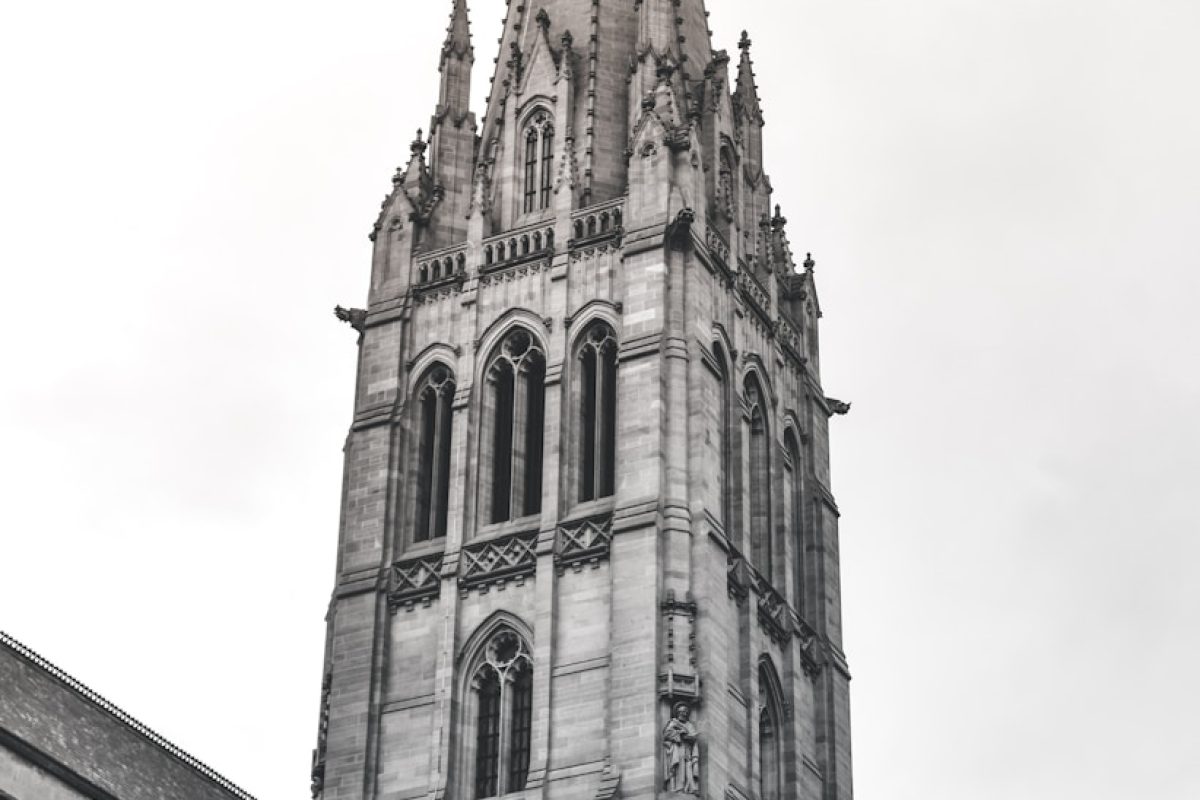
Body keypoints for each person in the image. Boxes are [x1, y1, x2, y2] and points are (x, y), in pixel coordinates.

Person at [662, 702, 700, 794]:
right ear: (678, 712)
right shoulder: (673, 722)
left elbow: (693, 736)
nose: (685, 713)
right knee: (679, 767)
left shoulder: (689, 724)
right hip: (677, 747)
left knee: (689, 766)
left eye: (686, 711)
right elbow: (667, 734)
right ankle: (679, 787)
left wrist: (686, 735)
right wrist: (679, 734)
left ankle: (691, 787)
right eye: (683, 711)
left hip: (688, 749)